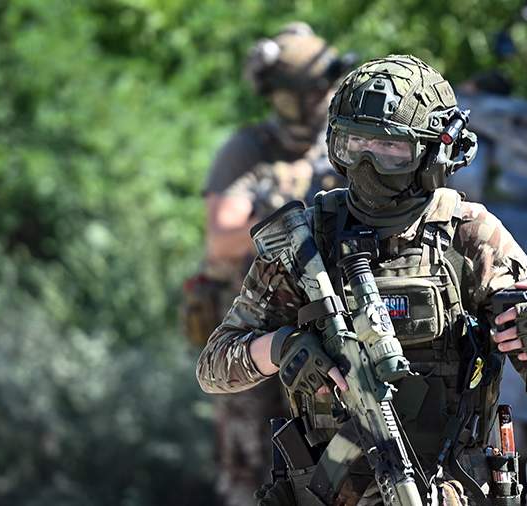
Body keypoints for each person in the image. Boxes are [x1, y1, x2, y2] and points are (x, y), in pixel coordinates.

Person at [196, 54, 527, 505]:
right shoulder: (307, 243)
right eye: (354, 144)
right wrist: (279, 348)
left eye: (391, 150)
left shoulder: (469, 235)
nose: (368, 164)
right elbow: (213, 367)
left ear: (432, 154)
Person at [181, 22, 347, 506]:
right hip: (255, 333)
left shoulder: (341, 146)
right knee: (253, 468)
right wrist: (285, 219)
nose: (322, 98)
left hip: (326, 327)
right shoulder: (251, 151)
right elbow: (222, 240)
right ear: (286, 97)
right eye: (312, 91)